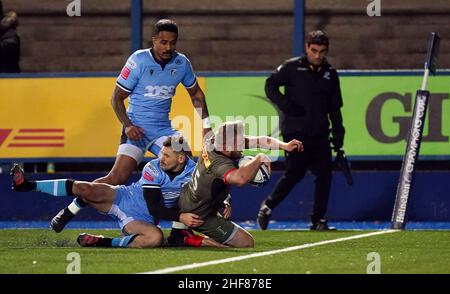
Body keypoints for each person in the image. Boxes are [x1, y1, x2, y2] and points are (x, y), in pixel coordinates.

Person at [50, 19, 211, 235]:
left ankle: (178, 231)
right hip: (136, 129)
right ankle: (71, 209)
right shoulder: (138, 61)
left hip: (162, 130)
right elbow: (116, 98)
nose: (168, 48)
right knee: (117, 178)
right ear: (153, 41)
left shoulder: (181, 63)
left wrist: (207, 126)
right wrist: (127, 125)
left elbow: (197, 95)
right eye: (163, 42)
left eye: (172, 43)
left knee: (185, 163)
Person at [11, 136, 223, 248]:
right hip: (124, 196)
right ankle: (28, 185)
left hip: (138, 218)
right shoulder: (152, 168)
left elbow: (212, 186)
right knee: (86, 188)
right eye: (162, 153)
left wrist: (225, 203)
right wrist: (179, 217)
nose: (161, 158)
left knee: (155, 238)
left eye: (167, 155)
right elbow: (153, 205)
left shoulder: (194, 172)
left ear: (181, 158)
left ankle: (102, 242)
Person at [257, 30, 345, 231]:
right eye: (314, 50)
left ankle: (318, 220)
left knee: (325, 174)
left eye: (322, 51)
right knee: (295, 172)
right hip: (295, 132)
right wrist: (285, 105)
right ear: (307, 48)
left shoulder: (330, 74)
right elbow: (270, 85)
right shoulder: (291, 67)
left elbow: (335, 108)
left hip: (321, 132)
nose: (318, 55)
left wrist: (338, 132)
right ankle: (268, 206)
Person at [178, 121, 303, 247]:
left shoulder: (215, 142)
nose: (243, 147)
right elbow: (240, 179)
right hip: (198, 215)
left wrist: (285, 146)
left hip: (194, 198)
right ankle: (188, 238)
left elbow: (259, 141)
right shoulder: (220, 164)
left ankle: (187, 233)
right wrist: (259, 158)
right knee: (246, 243)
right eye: (239, 144)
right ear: (226, 147)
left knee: (242, 241)